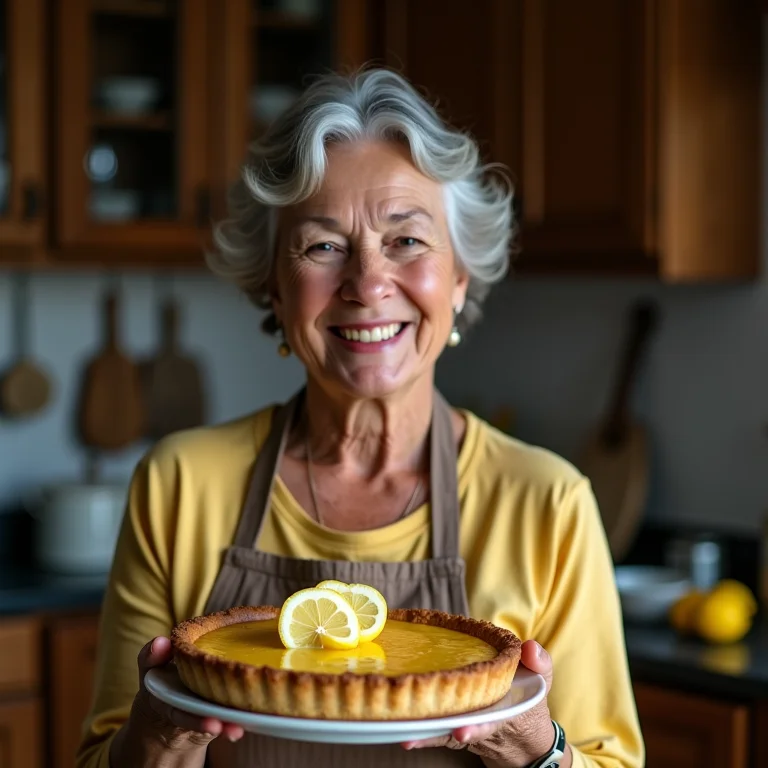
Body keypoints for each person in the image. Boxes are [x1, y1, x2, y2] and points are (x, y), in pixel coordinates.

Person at [76, 68, 644, 768]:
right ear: (274, 290)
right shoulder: (179, 484)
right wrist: (159, 735)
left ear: (459, 278)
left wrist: (533, 748)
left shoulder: (548, 504)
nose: (368, 283)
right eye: (322, 246)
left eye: (406, 240)